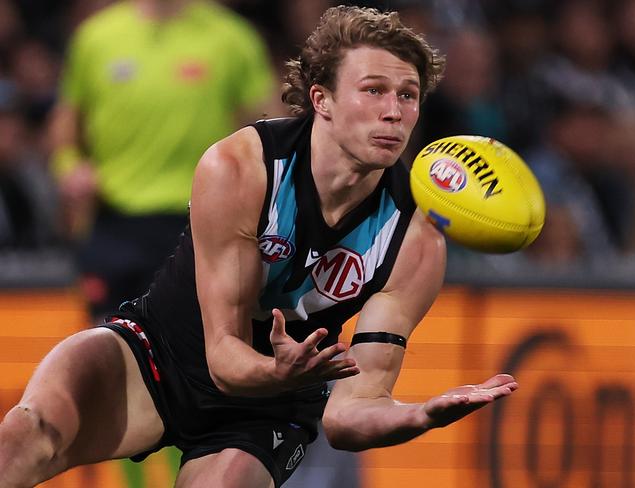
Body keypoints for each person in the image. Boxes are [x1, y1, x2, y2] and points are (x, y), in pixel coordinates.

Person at [0, 6, 518, 488]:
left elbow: (348, 414)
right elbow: (224, 355)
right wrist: (275, 368)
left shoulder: (415, 241)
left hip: (269, 408)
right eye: (374, 90)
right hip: (158, 354)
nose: (393, 112)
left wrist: (416, 415)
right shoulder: (240, 168)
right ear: (322, 101)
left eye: (407, 95)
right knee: (24, 436)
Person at [48, 0, 276, 318]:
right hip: (113, 220)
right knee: (105, 344)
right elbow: (67, 120)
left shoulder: (232, 38)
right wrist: (68, 167)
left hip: (200, 222)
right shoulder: (96, 37)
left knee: (189, 346)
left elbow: (266, 126)